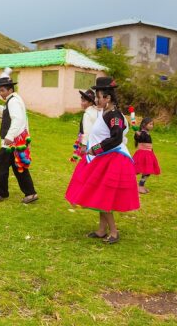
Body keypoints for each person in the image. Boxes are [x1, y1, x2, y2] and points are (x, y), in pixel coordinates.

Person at [64, 77, 139, 244]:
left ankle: (113, 232)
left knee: (102, 196)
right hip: (101, 158)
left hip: (112, 159)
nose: (96, 100)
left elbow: (116, 138)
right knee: (99, 194)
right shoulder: (104, 113)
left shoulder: (115, 116)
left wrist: (95, 149)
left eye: (98, 96)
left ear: (108, 98)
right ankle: (101, 230)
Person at [0, 68, 38, 204]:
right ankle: (30, 193)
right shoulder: (12, 100)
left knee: (0, 166)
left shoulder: (14, 101)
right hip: (16, 141)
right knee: (18, 167)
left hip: (12, 142)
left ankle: (2, 193)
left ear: (10, 90)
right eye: (0, 90)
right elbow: (7, 112)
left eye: (3, 90)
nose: (1, 93)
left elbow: (17, 120)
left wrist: (9, 136)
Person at [132, 117, 161, 194]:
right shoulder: (143, 133)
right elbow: (140, 138)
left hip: (148, 154)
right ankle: (139, 186)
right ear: (144, 125)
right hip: (143, 155)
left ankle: (140, 186)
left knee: (147, 171)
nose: (152, 126)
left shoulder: (145, 132)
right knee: (143, 171)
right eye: (150, 124)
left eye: (152, 124)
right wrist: (138, 134)